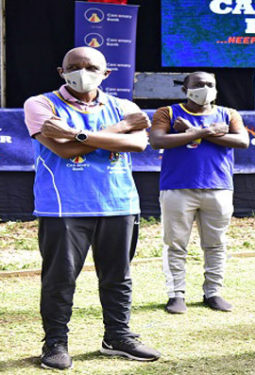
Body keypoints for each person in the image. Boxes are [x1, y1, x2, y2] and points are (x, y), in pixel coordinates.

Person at [22, 47, 161, 370]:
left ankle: (118, 336)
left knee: (118, 277)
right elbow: (64, 150)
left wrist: (78, 134)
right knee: (60, 279)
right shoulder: (40, 104)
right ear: (61, 71)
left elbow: (138, 144)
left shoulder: (123, 105)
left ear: (106, 73)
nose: (82, 72)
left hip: (119, 203)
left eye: (90, 67)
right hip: (63, 206)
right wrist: (116, 130)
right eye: (74, 67)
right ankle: (55, 342)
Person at [149, 71, 249, 314]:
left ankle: (213, 292)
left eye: (210, 84)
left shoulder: (229, 114)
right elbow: (157, 141)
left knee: (216, 244)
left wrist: (190, 131)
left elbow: (242, 141)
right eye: (198, 84)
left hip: (219, 187)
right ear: (185, 89)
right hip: (177, 187)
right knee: (175, 244)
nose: (204, 88)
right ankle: (176, 294)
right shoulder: (168, 113)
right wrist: (206, 132)